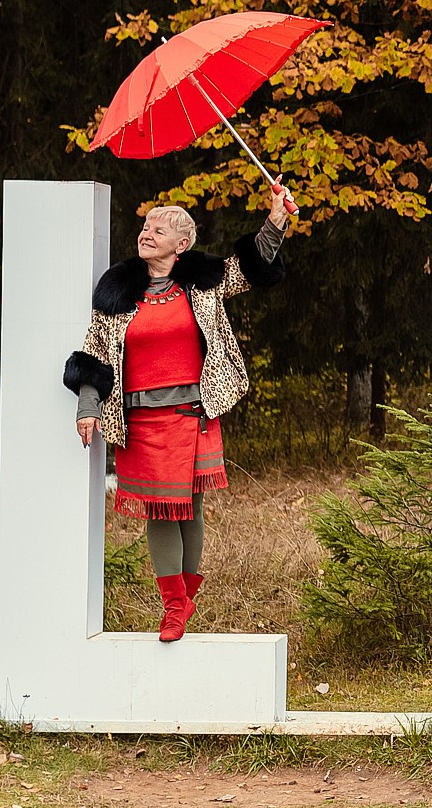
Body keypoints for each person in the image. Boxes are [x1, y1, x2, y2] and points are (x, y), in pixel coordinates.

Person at [61, 187, 291, 641]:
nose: (146, 234)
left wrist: (276, 219)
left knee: (190, 507)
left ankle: (182, 601)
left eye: (158, 230)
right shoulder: (117, 292)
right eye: (145, 227)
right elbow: (95, 352)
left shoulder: (203, 281)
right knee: (161, 510)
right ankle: (173, 607)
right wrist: (88, 407)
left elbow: (252, 266)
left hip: (194, 414)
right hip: (141, 422)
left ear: (181, 244)